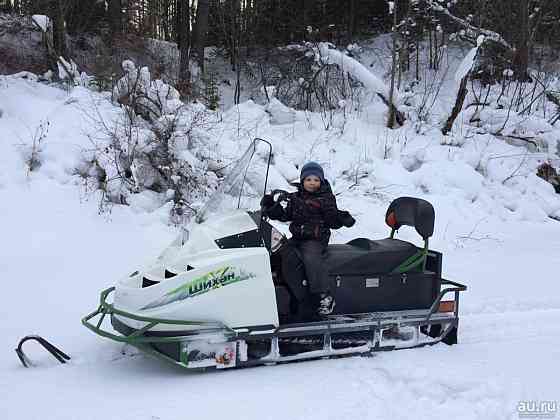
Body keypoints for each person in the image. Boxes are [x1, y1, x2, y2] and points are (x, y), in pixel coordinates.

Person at [261, 162, 338, 316]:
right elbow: (286, 215)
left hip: (316, 238)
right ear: (303, 180)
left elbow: (332, 218)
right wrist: (272, 208)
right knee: (281, 252)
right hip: (298, 236)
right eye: (309, 179)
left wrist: (338, 217)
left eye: (316, 180)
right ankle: (283, 286)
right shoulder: (296, 198)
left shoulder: (326, 198)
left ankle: (324, 295)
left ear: (321, 182)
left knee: (310, 257)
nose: (312, 183)